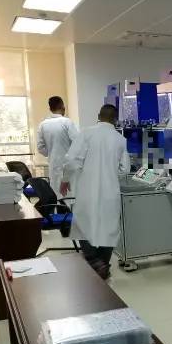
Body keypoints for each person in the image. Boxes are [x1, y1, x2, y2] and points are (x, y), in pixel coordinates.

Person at [60, 104, 129, 279]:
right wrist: (110, 174)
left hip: (87, 190)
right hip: (110, 192)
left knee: (85, 225)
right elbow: (125, 169)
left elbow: (71, 160)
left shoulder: (86, 133)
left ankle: (93, 262)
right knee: (109, 228)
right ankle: (103, 264)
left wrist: (65, 179)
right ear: (115, 120)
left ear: (98, 116)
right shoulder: (120, 139)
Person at [36, 96, 79, 198]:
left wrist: (52, 153)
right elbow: (78, 143)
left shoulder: (42, 125)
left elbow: (40, 148)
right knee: (70, 197)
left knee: (57, 196)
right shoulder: (67, 122)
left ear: (50, 109)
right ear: (63, 107)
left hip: (53, 166)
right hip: (69, 166)